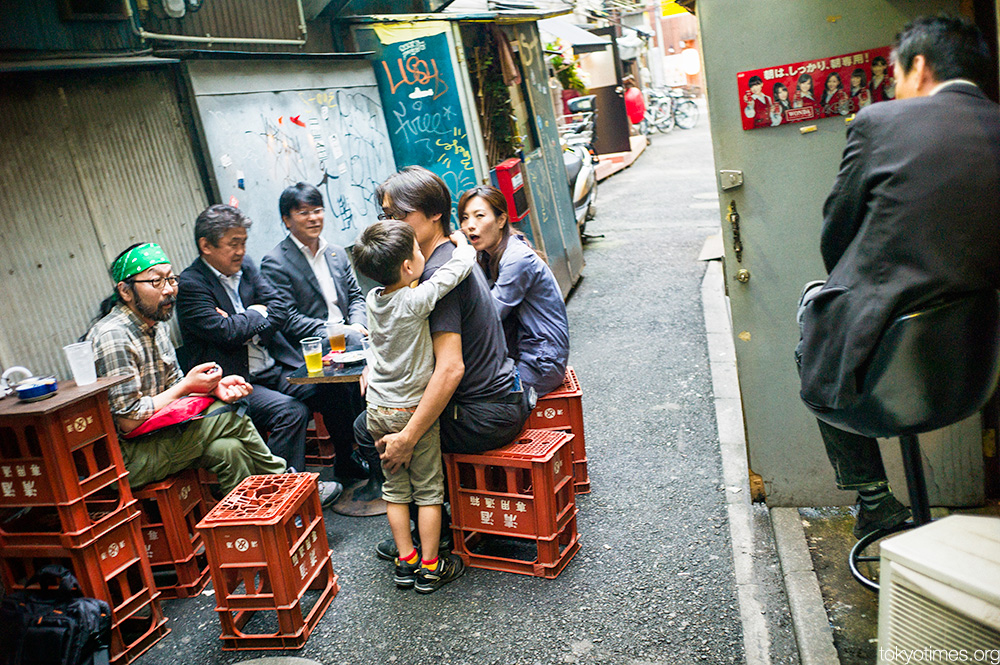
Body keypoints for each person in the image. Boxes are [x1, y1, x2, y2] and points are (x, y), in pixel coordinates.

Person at [797, 14, 1000, 539]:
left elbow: (834, 240)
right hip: (975, 368)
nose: (894, 87)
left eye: (896, 74)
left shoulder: (880, 122)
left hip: (886, 370)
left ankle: (873, 495)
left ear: (921, 66)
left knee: (813, 305)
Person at [360, 166, 536, 561]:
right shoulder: (441, 258)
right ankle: (425, 525)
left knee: (370, 428)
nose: (392, 224)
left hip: (484, 413)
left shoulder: (438, 276)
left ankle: (428, 538)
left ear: (434, 212)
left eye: (399, 215)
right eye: (386, 215)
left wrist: (406, 438)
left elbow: (450, 369)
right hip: (496, 399)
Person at [175, 204, 345, 506]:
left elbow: (278, 306)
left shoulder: (246, 266)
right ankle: (284, 491)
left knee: (331, 386)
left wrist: (244, 322)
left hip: (272, 366)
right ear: (206, 246)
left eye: (243, 242)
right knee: (290, 412)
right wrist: (255, 313)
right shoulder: (191, 285)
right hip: (231, 382)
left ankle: (347, 465)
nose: (240, 251)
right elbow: (225, 333)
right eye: (233, 244)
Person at [85, 242, 287, 495]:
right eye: (156, 281)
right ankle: (282, 481)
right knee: (229, 415)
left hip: (161, 434)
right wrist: (186, 387)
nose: (169, 290)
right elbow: (128, 420)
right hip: (129, 457)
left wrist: (212, 388)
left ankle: (249, 523)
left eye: (171, 278)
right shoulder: (113, 335)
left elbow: (176, 393)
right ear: (126, 291)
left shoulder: (158, 325)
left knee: (230, 449)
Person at [352, 221, 477, 593]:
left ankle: (404, 560)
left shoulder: (374, 299)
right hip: (409, 409)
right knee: (427, 492)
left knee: (394, 488)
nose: (425, 256)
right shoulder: (414, 299)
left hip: (377, 407)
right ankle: (430, 565)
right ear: (408, 267)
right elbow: (455, 272)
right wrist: (463, 244)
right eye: (418, 253)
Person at [260, 182, 369, 482]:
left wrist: (356, 325)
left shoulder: (336, 253)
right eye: (303, 212)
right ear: (287, 219)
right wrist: (340, 331)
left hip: (349, 341)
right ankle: (349, 457)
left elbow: (356, 296)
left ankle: (366, 451)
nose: (313, 218)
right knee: (336, 385)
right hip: (308, 353)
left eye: (317, 210)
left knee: (373, 376)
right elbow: (289, 319)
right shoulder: (275, 262)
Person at [458, 185, 570, 396]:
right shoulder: (491, 255)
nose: (470, 226)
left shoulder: (516, 258)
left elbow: (489, 314)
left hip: (541, 362)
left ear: (501, 220)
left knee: (477, 401)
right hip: (526, 355)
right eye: (464, 218)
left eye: (479, 216)